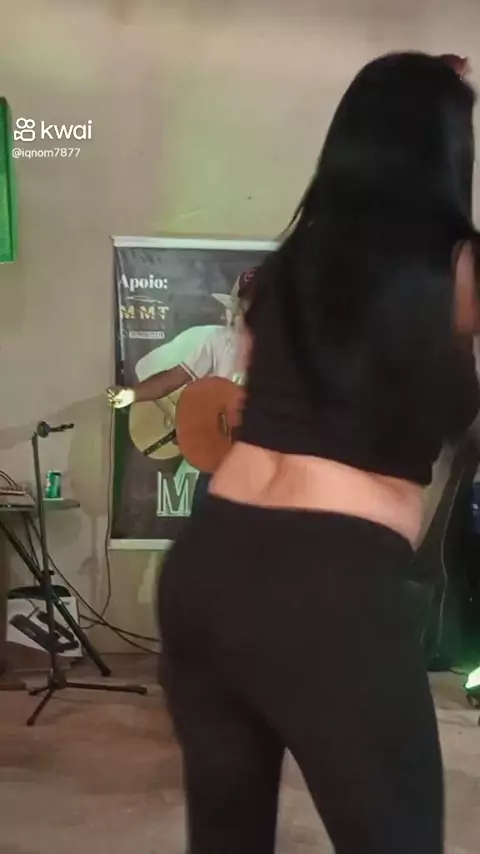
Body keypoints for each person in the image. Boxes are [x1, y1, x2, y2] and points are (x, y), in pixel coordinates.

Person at [157, 53, 480, 854]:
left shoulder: (285, 268)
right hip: (331, 590)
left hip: (208, 564)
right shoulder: (454, 266)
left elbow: (265, 392)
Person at [107, 267, 257, 514]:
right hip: (217, 462)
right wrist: (132, 395)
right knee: (207, 527)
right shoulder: (216, 341)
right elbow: (174, 377)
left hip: (259, 466)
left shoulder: (285, 352)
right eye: (244, 306)